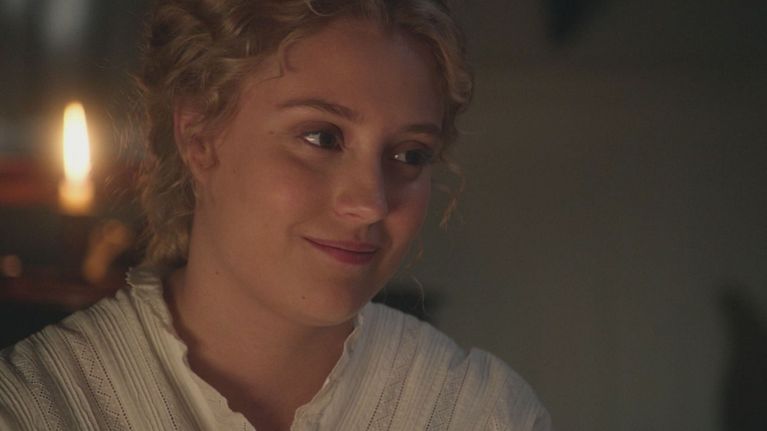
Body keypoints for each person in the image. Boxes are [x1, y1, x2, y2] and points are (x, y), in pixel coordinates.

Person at [0, 0, 551, 429]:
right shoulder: (32, 409)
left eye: (410, 155)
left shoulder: (480, 414)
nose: (371, 203)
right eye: (322, 137)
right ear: (199, 136)